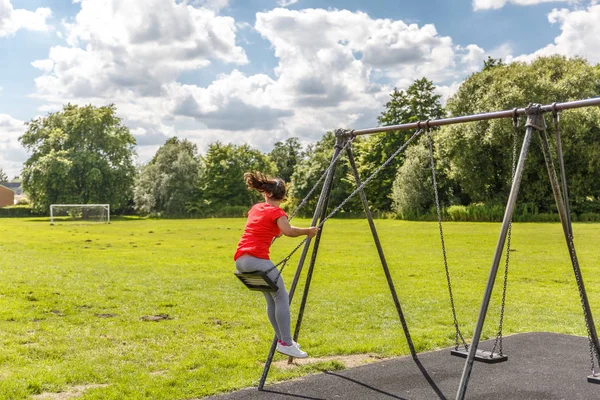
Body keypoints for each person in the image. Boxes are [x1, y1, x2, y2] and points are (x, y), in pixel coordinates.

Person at [234, 171, 319, 359]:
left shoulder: (256, 208)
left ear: (266, 193)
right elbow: (288, 231)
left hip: (241, 261)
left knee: (271, 298)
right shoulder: (278, 212)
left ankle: (283, 340)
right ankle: (287, 343)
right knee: (281, 298)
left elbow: (265, 228)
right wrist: (308, 231)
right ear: (283, 197)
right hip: (258, 260)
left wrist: (276, 230)